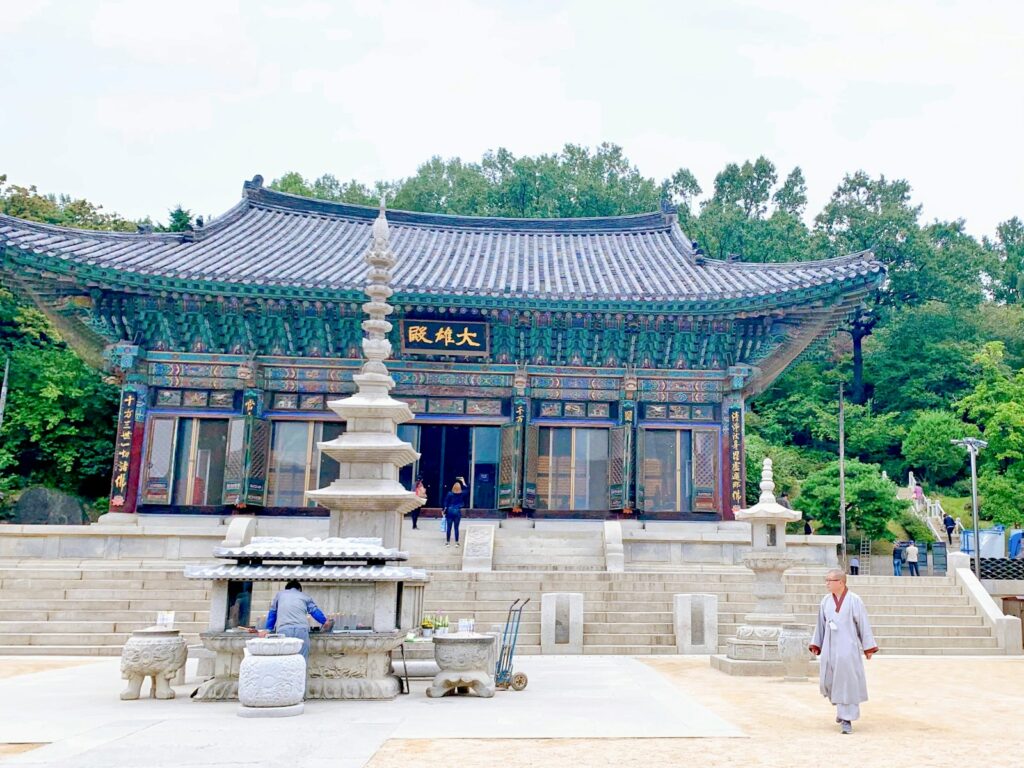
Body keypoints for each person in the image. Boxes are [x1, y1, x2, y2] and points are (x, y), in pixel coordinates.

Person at [808, 569, 878, 735]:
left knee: (847, 682)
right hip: (829, 647)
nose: (827, 583)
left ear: (841, 582)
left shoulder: (854, 600)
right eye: (826, 580)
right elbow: (820, 624)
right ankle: (841, 710)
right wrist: (817, 643)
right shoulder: (825, 601)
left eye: (829, 580)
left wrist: (868, 647)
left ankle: (847, 719)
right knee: (830, 680)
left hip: (848, 648)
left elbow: (863, 624)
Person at [263, 580, 330, 660]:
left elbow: (273, 613)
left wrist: (268, 629)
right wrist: (324, 621)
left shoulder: (280, 595)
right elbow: (314, 611)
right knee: (301, 659)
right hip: (301, 630)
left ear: (286, 589)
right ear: (299, 589)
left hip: (284, 630)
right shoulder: (305, 596)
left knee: (285, 659)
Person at [443, 477, 468, 546]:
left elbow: (446, 502)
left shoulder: (449, 494)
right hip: (457, 511)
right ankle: (456, 542)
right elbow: (467, 489)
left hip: (450, 511)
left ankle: (448, 542)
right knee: (456, 528)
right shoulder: (462, 494)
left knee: (449, 527)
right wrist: (463, 481)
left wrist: (444, 509)